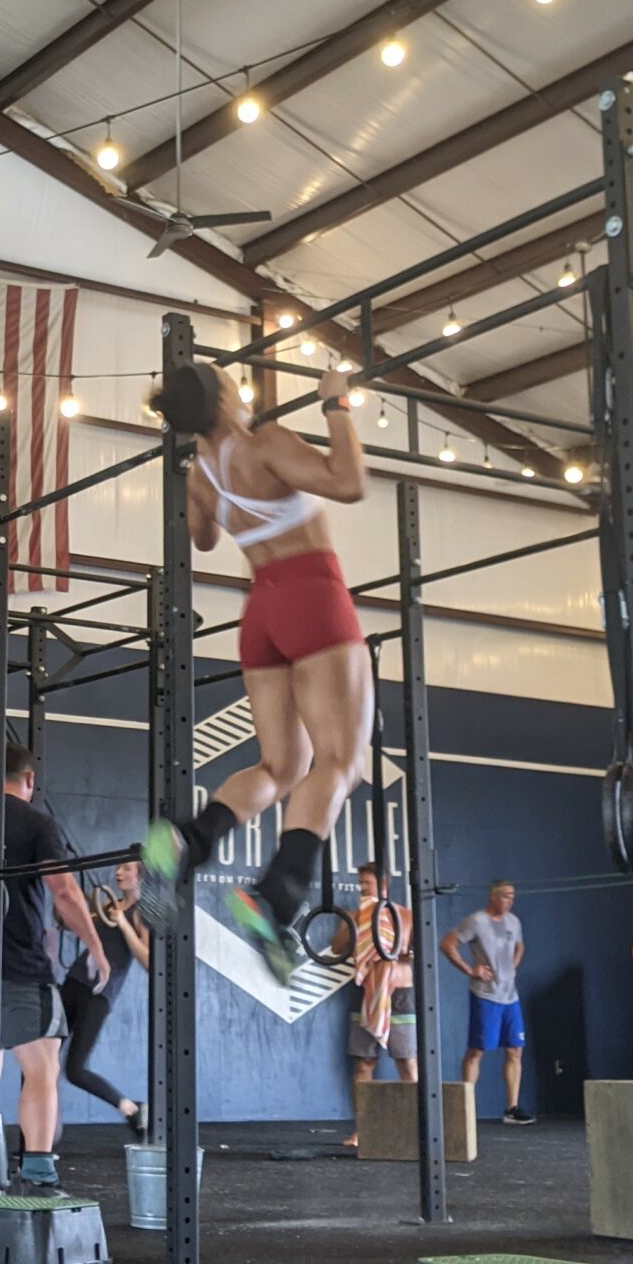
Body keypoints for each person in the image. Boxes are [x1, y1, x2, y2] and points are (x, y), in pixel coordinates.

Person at [136, 360, 368, 984]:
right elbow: (350, 483)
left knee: (280, 767)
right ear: (223, 398)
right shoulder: (266, 443)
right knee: (339, 763)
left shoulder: (200, 475)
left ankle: (190, 840)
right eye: (231, 380)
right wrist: (336, 404)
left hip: (262, 610)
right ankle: (278, 892)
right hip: (312, 594)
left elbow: (204, 539)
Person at [0, 743, 112, 1191]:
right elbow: (63, 890)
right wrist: (95, 946)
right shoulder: (37, 823)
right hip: (19, 965)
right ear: (29, 780)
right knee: (42, 1066)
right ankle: (38, 1171)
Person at [60, 859, 149, 1138]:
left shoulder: (142, 913)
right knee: (42, 1055)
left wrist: (123, 925)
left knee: (75, 1070)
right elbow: (75, 924)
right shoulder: (110, 905)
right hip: (74, 982)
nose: (118, 872)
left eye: (126, 868)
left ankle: (130, 1108)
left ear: (141, 876)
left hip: (99, 994)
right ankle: (37, 1140)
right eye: (118, 867)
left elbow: (149, 961)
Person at [444, 878, 532, 1125]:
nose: (510, 900)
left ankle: (512, 1109)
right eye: (506, 896)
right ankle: (465, 1109)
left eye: (513, 896)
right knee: (477, 1051)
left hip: (510, 996)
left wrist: (513, 966)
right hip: (485, 995)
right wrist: (470, 970)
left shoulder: (514, 922)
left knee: (515, 1050)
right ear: (493, 897)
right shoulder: (476, 921)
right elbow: (447, 944)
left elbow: (520, 946)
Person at [341, 861, 416, 1147]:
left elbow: (415, 952)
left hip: (399, 994)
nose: (362, 888)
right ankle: (365, 1130)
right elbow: (337, 948)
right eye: (360, 884)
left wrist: (404, 950)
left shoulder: (405, 915)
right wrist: (357, 926)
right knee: (364, 1062)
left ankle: (415, 1129)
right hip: (365, 993)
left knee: (406, 1062)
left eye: (367, 884)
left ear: (382, 886)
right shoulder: (354, 916)